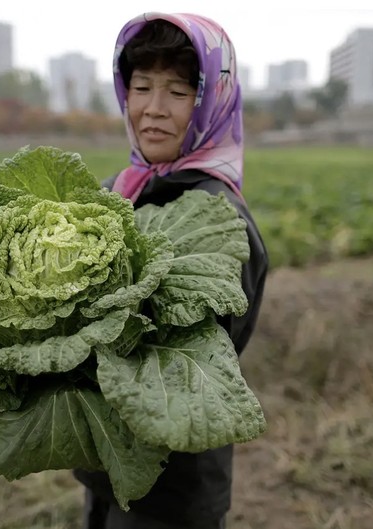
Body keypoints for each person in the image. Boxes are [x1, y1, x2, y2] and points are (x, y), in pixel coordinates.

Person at [72, 12, 269, 529]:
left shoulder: (218, 216)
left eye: (179, 92)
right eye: (141, 87)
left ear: (211, 103)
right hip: (104, 460)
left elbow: (189, 364)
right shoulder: (121, 188)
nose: (153, 110)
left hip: (171, 485)